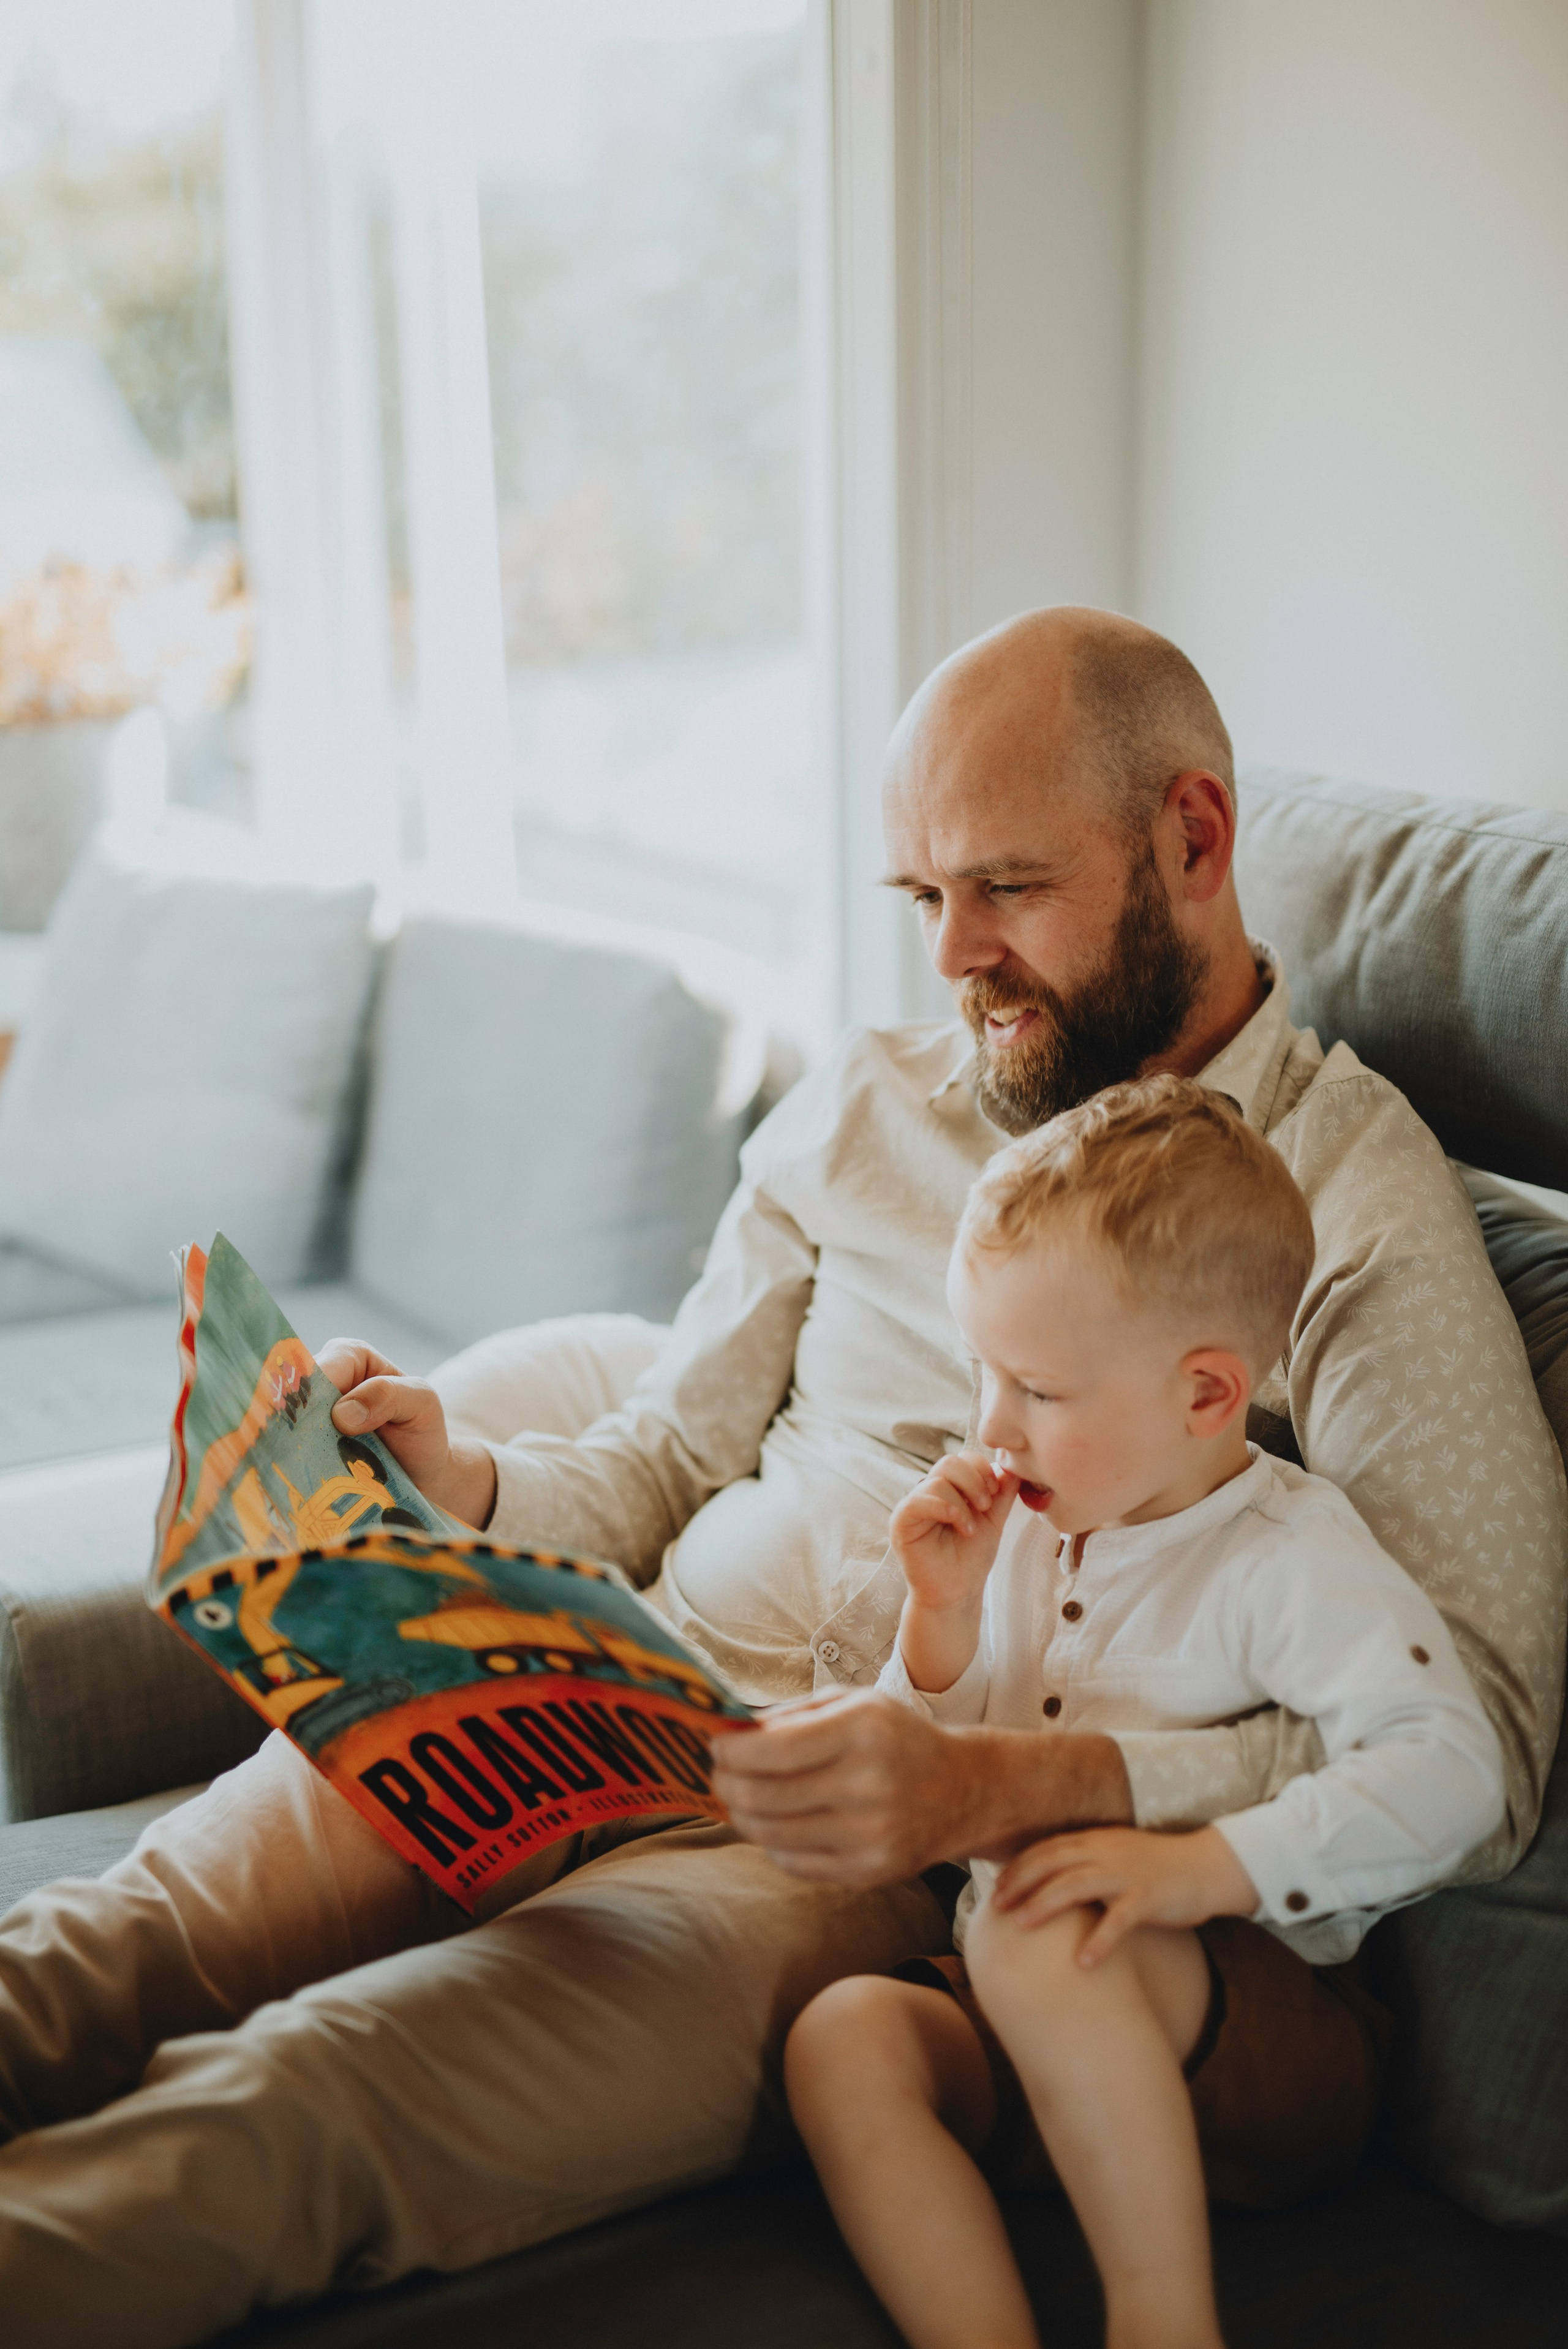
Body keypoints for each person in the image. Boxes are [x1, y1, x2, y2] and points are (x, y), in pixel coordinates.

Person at [0, 610, 1560, 2346]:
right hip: (590, 1694)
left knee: (313, 2097)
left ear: (1192, 839)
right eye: (923, 899)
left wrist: (989, 1793)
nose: (955, 956)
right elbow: (668, 1446)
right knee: (110, 1945)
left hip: (847, 1862)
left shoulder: (1341, 1198)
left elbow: (1471, 1736)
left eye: (1008, 888)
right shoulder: (870, 1104)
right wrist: (470, 1483)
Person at [784, 1076, 1504, 2349]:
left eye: (1037, 1390)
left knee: (1030, 1917)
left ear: (1207, 1397)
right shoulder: (1029, 1527)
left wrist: (1194, 1871)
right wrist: (939, 1623)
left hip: (1271, 2038)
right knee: (843, 2039)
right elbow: (950, 1807)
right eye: (979, 1374)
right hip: (1037, 2007)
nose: (990, 1430)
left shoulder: (1286, 1557)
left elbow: (1455, 1770)